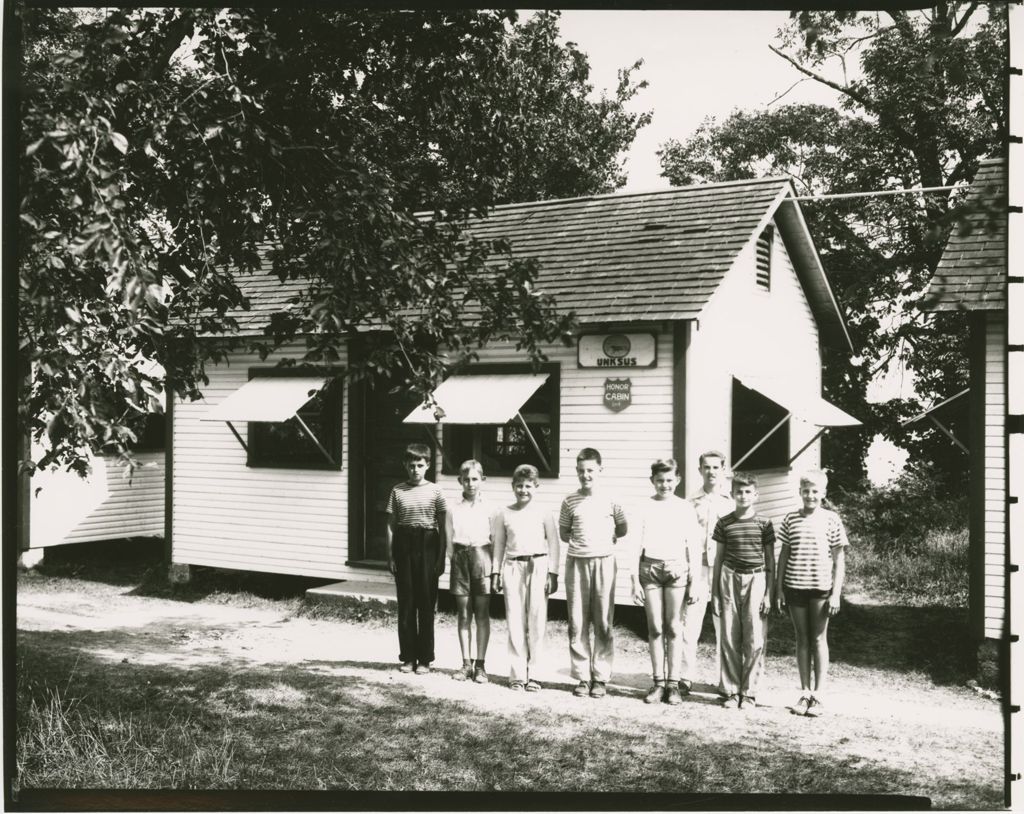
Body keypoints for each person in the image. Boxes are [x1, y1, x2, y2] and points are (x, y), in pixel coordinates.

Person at [773, 470, 849, 717]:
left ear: (823, 493)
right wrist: (779, 588)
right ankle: (804, 692)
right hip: (795, 587)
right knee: (801, 638)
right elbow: (783, 555)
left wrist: (836, 594)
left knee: (818, 638)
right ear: (800, 492)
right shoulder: (790, 519)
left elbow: (839, 559)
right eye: (806, 491)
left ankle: (819, 694)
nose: (810, 495)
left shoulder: (831, 519)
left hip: (821, 588)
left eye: (815, 491)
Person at [631, 459, 703, 705]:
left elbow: (694, 545)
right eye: (660, 480)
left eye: (669, 480)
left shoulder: (684, 508)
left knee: (674, 627)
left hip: (676, 569)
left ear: (678, 480)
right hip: (649, 568)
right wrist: (633, 580)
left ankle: (673, 684)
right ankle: (658, 683)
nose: (665, 485)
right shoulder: (643, 507)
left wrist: (694, 581)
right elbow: (633, 545)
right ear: (653, 481)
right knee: (655, 628)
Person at [559, 448, 628, 699]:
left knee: (603, 621)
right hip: (577, 562)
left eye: (590, 470)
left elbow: (622, 529)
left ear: (600, 470)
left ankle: (600, 677)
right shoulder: (569, 501)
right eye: (581, 471)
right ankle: (582, 677)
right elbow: (564, 533)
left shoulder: (612, 499)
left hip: (604, 562)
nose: (585, 475)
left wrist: (603, 542)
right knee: (577, 621)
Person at [491, 464, 560, 692]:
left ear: (536, 487)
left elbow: (554, 544)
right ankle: (517, 675)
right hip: (512, 567)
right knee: (515, 620)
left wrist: (553, 572)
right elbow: (499, 544)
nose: (523, 490)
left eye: (528, 486)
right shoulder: (504, 513)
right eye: (519, 486)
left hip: (538, 566)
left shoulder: (544, 513)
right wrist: (495, 572)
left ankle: (536, 674)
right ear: (513, 487)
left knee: (537, 621)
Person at [711, 471, 775, 709]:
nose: (743, 496)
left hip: (757, 578)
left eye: (748, 492)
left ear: (756, 495)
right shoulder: (724, 522)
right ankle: (731, 690)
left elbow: (770, 561)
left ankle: (749, 692)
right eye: (739, 492)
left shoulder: (764, 524)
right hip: (729, 576)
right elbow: (718, 559)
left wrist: (769, 592)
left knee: (754, 637)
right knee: (729, 635)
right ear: (732, 494)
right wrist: (715, 593)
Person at [386, 442, 447, 675]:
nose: (415, 469)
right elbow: (390, 526)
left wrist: (441, 557)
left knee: (426, 604)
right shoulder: (397, 490)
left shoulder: (436, 491)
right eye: (411, 465)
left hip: (428, 543)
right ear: (405, 465)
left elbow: (443, 525)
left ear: (428, 466)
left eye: (420, 465)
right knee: (407, 604)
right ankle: (408, 657)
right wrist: (390, 555)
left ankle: (425, 659)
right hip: (404, 543)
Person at [680, 450, 733, 696]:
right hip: (698, 569)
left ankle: (725, 679)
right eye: (707, 467)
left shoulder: (731, 503)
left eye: (716, 467)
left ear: (723, 470)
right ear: (700, 470)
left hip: (723, 570)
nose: (711, 471)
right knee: (690, 623)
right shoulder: (691, 502)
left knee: (724, 622)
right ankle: (685, 676)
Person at [445, 459, 495, 684]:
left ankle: (481, 665)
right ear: (460, 481)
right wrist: (454, 557)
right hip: (460, 558)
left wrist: (493, 568)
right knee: (464, 614)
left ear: (482, 480)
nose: (471, 484)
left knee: (482, 613)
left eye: (475, 479)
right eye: (466, 480)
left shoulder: (491, 508)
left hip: (482, 557)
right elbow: (448, 540)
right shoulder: (452, 507)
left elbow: (495, 540)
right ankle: (466, 664)